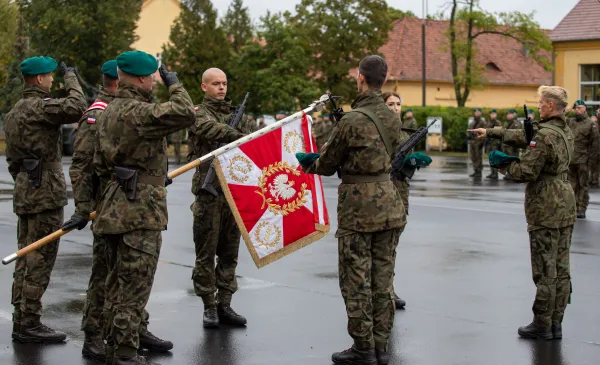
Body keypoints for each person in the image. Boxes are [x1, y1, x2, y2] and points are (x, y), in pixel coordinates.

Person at [299, 55, 408, 365]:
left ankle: (363, 347)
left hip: (358, 210)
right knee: (382, 279)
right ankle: (381, 347)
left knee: (355, 278)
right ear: (383, 82)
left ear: (360, 78)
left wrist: (310, 163)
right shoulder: (392, 117)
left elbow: (328, 162)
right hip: (389, 204)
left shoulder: (352, 120)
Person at [64, 60, 173, 360]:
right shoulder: (99, 112)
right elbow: (84, 164)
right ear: (117, 81)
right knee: (106, 276)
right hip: (109, 206)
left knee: (131, 275)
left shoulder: (125, 109)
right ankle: (95, 334)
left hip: (129, 200)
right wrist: (83, 205)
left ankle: (134, 329)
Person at [93, 51, 195, 365]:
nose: (153, 81)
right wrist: (175, 84)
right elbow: (185, 113)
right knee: (134, 286)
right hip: (139, 211)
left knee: (115, 284)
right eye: (151, 77)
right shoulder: (139, 111)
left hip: (114, 204)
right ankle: (125, 353)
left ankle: (113, 346)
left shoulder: (108, 111)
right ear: (141, 78)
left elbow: (99, 164)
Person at [469, 85, 576, 340]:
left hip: (546, 206)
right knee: (561, 268)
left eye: (541, 103)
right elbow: (527, 135)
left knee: (544, 268)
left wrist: (504, 165)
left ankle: (542, 323)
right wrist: (492, 132)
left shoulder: (545, 136)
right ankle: (556, 323)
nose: (538, 106)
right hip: (565, 201)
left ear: (550, 106)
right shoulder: (564, 131)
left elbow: (526, 171)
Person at [4, 57, 86, 342]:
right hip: (45, 194)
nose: (53, 80)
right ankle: (29, 323)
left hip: (26, 189)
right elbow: (78, 106)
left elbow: (13, 162)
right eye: (50, 76)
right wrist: (72, 77)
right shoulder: (40, 107)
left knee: (25, 257)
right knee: (40, 258)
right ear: (38, 79)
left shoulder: (14, 111)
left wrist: (26, 180)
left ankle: (22, 318)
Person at [187, 68, 252, 329]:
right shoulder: (198, 113)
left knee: (229, 252)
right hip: (208, 192)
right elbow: (209, 130)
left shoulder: (240, 116)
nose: (222, 88)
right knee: (205, 253)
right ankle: (208, 306)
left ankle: (225, 303)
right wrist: (238, 135)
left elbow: (251, 145)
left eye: (224, 83)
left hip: (234, 192)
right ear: (204, 87)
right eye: (216, 84)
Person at [383, 92, 407, 310]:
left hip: (401, 194)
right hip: (382, 196)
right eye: (390, 104)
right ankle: (383, 291)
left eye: (398, 104)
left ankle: (389, 288)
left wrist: (412, 164)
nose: (395, 107)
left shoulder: (405, 135)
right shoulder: (378, 131)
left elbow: (408, 172)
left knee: (392, 247)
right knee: (383, 248)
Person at [567, 100, 599, 219]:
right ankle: (573, 207)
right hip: (572, 159)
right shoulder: (571, 122)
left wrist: (591, 163)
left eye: (579, 108)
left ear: (585, 109)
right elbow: (559, 121)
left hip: (584, 160)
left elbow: (595, 145)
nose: (577, 110)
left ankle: (581, 208)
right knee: (571, 185)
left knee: (583, 186)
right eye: (575, 108)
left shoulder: (591, 124)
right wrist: (567, 110)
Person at [502, 109, 522, 181]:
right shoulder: (506, 123)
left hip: (512, 145)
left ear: (514, 114)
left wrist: (516, 145)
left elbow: (518, 134)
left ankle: (513, 174)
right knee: (507, 160)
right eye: (508, 114)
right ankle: (509, 173)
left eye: (510, 114)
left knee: (513, 161)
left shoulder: (517, 123)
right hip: (506, 145)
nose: (508, 115)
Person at [468, 108, 486, 178]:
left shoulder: (482, 122)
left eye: (478, 112)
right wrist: (469, 136)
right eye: (476, 112)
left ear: (481, 113)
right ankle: (475, 170)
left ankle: (479, 171)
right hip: (472, 142)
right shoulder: (473, 122)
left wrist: (482, 142)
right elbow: (470, 130)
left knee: (478, 157)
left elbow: (485, 132)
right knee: (473, 157)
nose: (477, 113)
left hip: (478, 142)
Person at [486, 110, 502, 180]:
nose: (492, 115)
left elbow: (499, 133)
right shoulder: (488, 122)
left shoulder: (497, 122)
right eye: (491, 114)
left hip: (495, 143)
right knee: (491, 158)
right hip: (489, 143)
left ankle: (495, 173)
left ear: (496, 115)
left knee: (494, 159)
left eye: (494, 114)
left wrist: (498, 143)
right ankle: (492, 172)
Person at [592, 111, 600, 187]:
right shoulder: (594, 122)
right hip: (595, 147)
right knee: (594, 164)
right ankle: (594, 180)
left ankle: (595, 180)